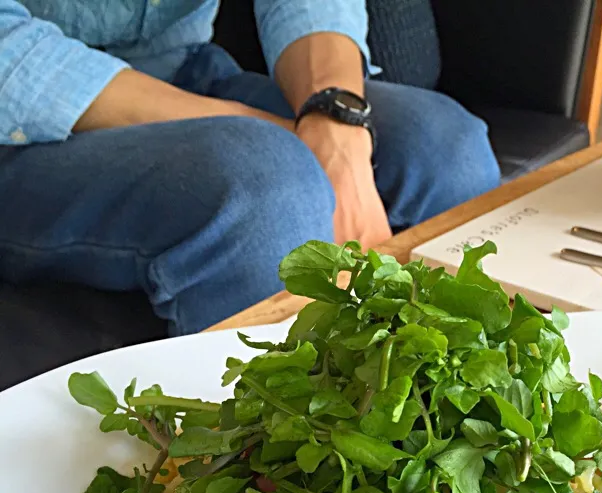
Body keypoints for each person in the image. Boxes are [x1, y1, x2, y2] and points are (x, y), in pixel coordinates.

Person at [0, 1, 502, 334]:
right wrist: (301, 140)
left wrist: (336, 121)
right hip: (20, 121)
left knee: (446, 151)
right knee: (267, 191)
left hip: (184, 68)